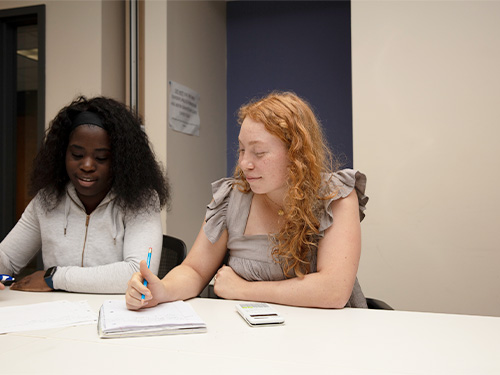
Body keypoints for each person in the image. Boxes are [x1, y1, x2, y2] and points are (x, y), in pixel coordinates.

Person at [126, 91, 368, 310]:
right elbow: (195, 270)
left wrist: (243, 290)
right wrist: (162, 290)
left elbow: (333, 291)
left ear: (296, 154)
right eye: (242, 150)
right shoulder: (231, 199)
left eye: (259, 152)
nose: (244, 163)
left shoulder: (335, 196)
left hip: (327, 342)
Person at [0, 96, 170, 293]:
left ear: (120, 161)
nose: (87, 166)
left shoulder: (141, 200)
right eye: (77, 155)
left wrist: (54, 277)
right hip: (57, 314)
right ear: (62, 153)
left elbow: (138, 274)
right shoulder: (47, 199)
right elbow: (7, 257)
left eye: (101, 157)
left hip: (115, 315)